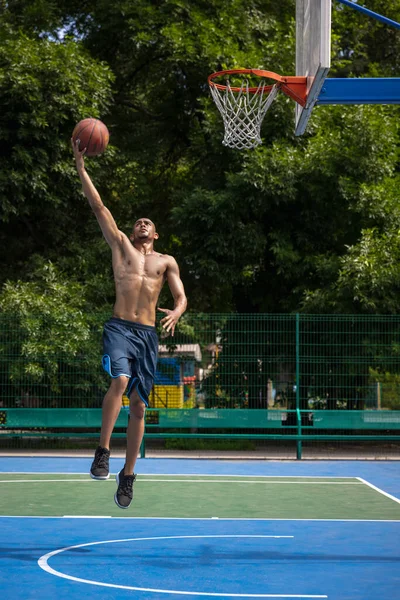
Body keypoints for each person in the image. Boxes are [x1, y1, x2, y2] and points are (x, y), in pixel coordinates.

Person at [72, 139, 187, 509]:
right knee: (119, 381)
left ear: (155, 235)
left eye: (148, 223)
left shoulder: (166, 261)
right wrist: (81, 167)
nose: (142, 223)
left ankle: (128, 474)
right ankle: (102, 451)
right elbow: (98, 206)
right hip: (120, 328)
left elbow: (181, 296)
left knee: (138, 407)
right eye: (139, 220)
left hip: (148, 335)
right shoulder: (120, 245)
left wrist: (178, 311)